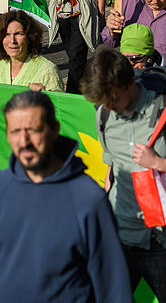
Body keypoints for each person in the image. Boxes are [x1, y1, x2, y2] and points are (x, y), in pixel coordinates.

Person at [81, 45, 166, 303]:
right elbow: (111, 172)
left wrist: (159, 163)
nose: (111, 106)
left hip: (163, 242)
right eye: (104, 102)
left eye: (115, 98)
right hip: (120, 237)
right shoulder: (104, 115)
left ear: (131, 82)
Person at [0, 91, 133, 302]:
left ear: (55, 130)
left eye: (33, 130)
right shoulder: (2, 187)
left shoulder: (88, 199)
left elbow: (112, 286)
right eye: (15, 131)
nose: (24, 141)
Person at [0, 10, 64, 91]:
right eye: (7, 35)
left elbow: (59, 102)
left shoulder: (48, 71)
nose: (12, 41)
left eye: (18, 34)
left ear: (30, 37)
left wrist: (43, 97)